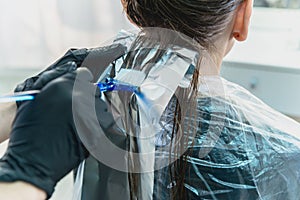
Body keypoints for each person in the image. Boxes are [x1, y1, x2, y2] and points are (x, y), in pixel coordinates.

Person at [1, 0, 300, 200]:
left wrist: (25, 164)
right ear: (243, 17)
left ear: (129, 6)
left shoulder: (99, 102)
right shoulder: (287, 156)